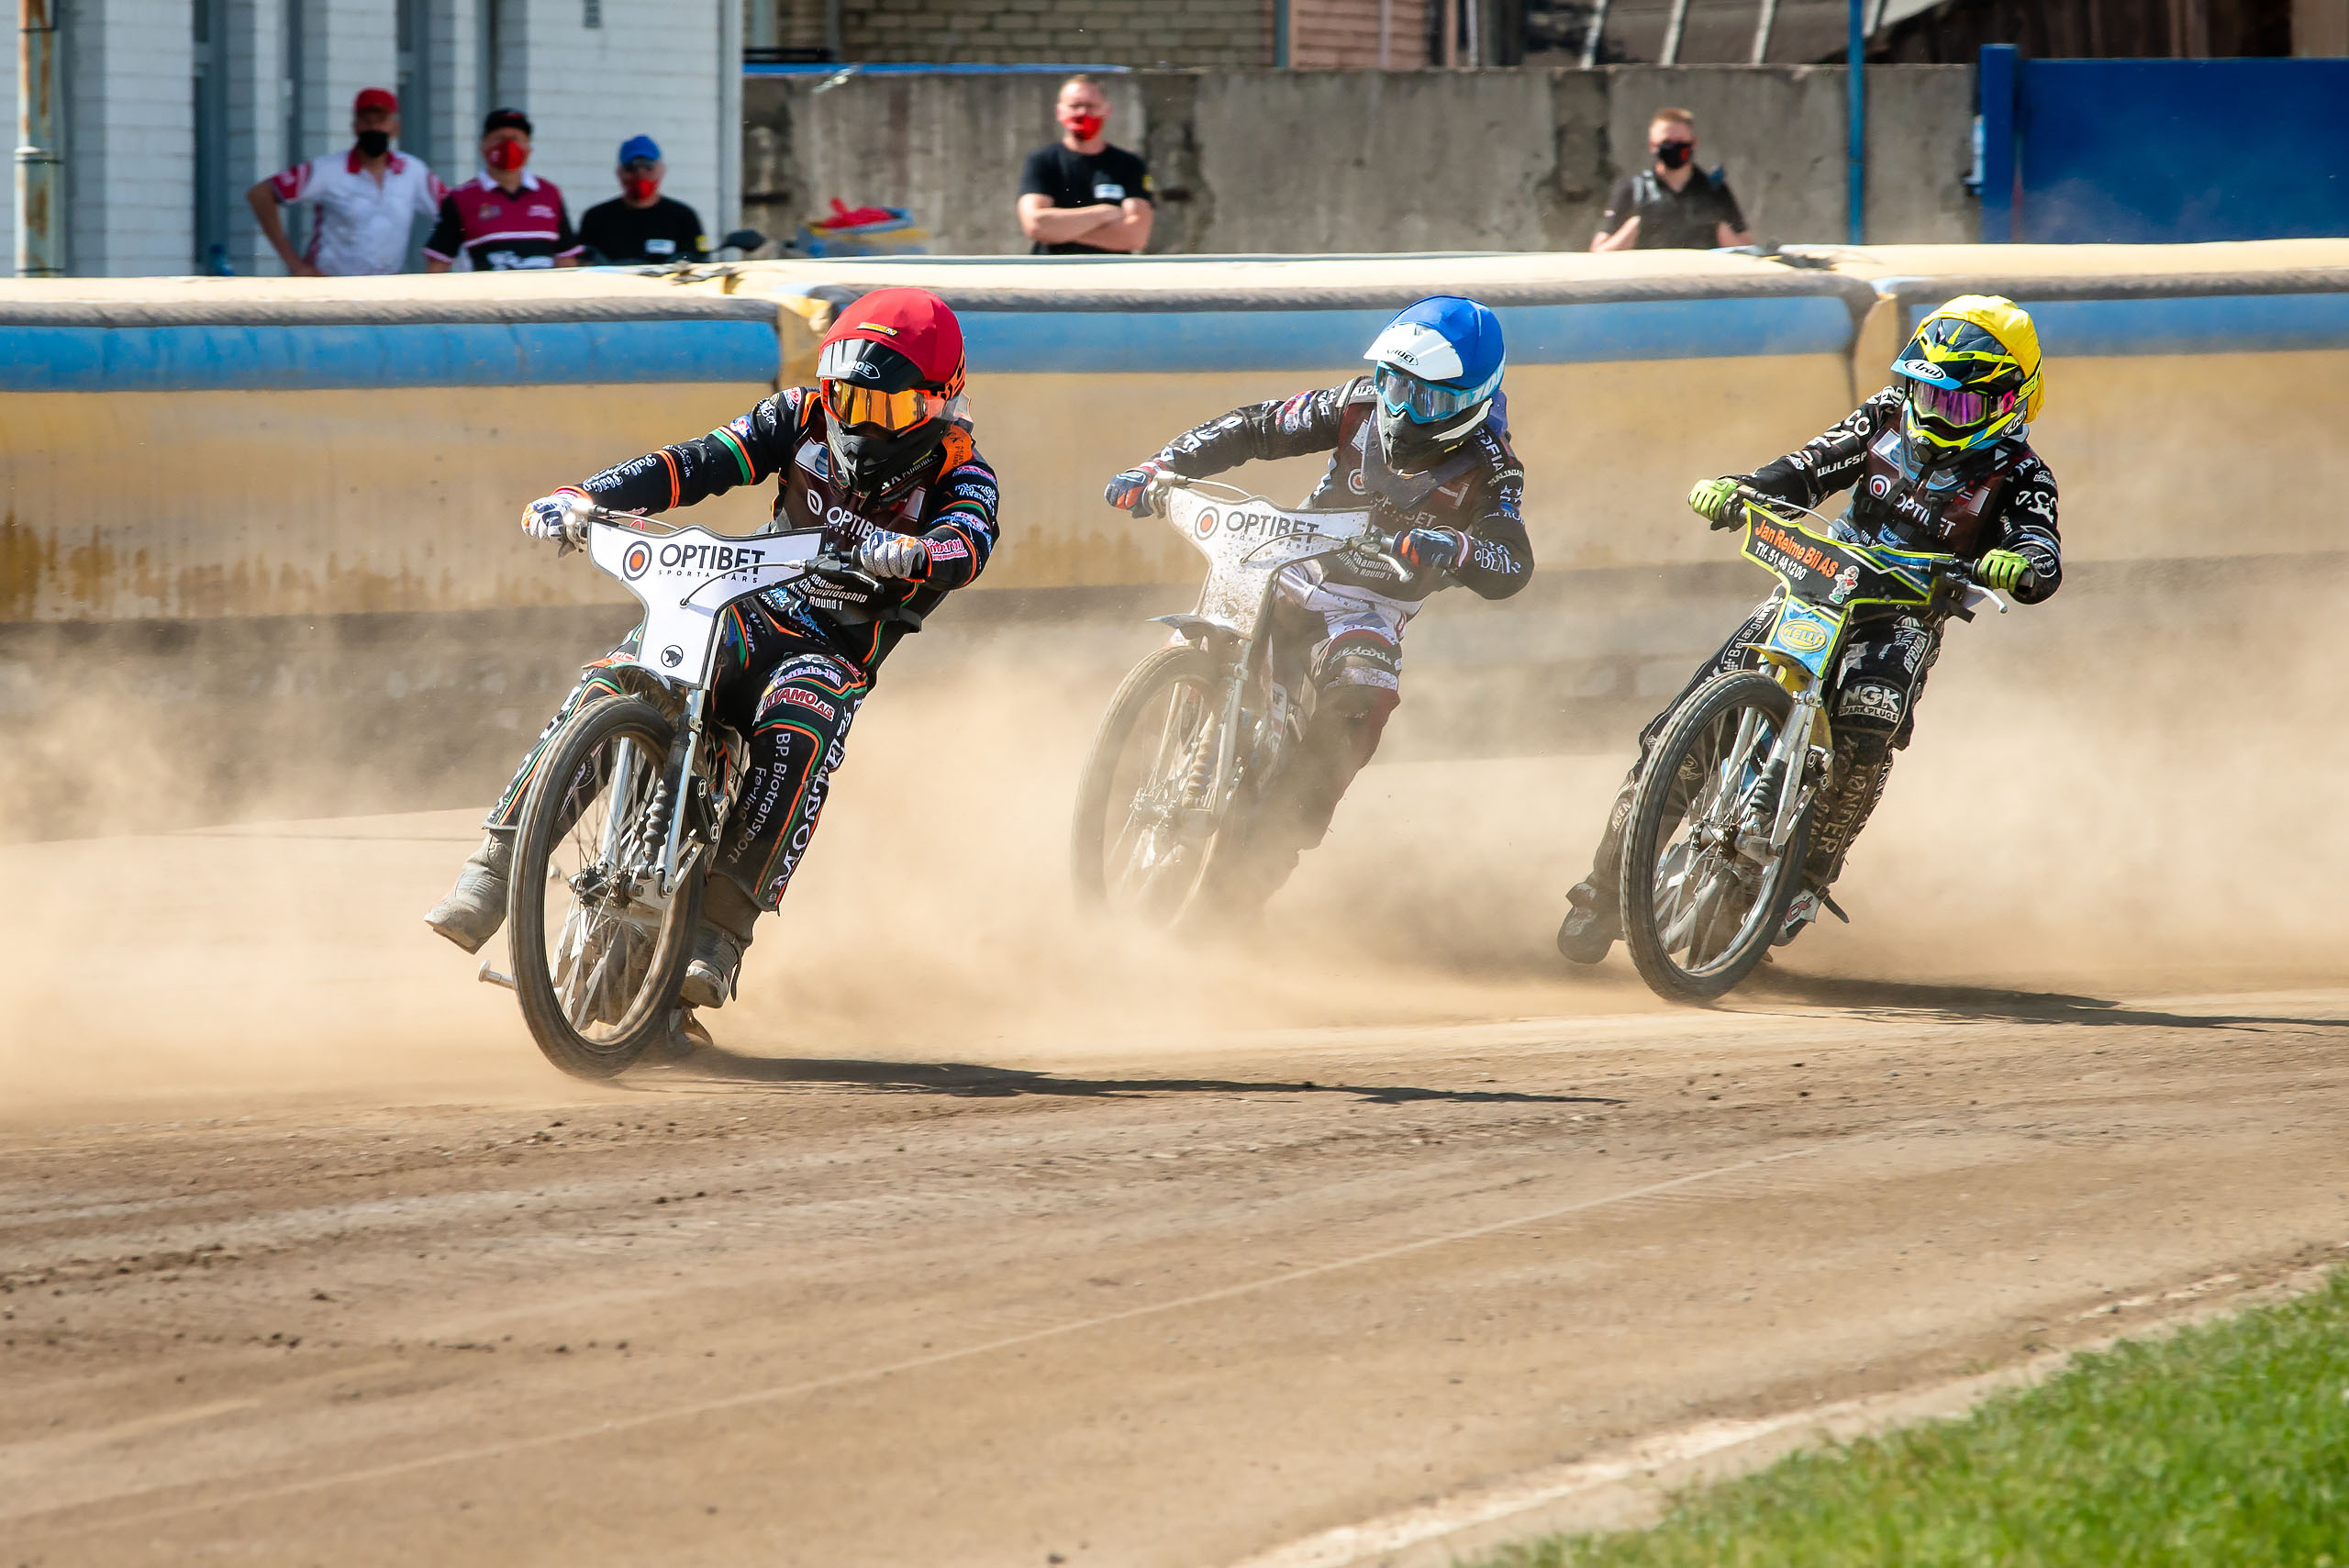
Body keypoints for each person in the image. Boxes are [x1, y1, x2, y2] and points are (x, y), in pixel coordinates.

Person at [425, 288, 999, 1009]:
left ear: (941, 400)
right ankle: (496, 864)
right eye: (847, 398)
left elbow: (967, 545)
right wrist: (586, 496)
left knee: (803, 718)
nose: (860, 420)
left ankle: (720, 935)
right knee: (619, 674)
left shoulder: (964, 471)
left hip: (830, 646)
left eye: (885, 408)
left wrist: (910, 553)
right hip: (744, 607)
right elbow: (701, 461)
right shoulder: (798, 414)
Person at [1556, 295, 2061, 962]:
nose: (1933, 414)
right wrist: (1744, 488)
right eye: (1925, 392)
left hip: (1907, 613)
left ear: (2010, 403)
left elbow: (2040, 546)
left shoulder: (2024, 473)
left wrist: (2020, 563)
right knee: (1682, 730)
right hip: (1824, 578)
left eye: (1958, 405)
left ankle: (1802, 881)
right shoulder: (1884, 415)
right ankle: (1601, 891)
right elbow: (1808, 466)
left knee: (1869, 718)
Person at [1101, 296, 1532, 910]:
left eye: (1427, 399)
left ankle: (1261, 863)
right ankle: (1119, 791)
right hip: (1287, 562)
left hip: (1369, 606)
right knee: (1187, 643)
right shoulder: (1354, 403)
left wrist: (1454, 547)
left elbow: (1512, 558)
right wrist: (1161, 465)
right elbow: (1256, 425)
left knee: (1363, 695)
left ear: (1470, 402)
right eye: (1394, 383)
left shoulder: (1492, 464)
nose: (1401, 410)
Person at [247, 88, 446, 277]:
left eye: (381, 121)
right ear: (355, 126)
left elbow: (453, 208)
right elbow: (261, 194)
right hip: (332, 289)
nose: (374, 128)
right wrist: (294, 263)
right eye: (367, 121)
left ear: (396, 127)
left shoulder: (412, 171)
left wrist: (438, 260)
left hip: (386, 291)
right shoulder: (328, 170)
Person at [423, 108, 583, 272]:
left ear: (528, 148)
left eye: (515, 138)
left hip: (543, 295)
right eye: (500, 138)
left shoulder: (549, 194)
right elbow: (438, 263)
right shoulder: (461, 198)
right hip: (486, 296)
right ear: (483, 145)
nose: (508, 145)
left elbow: (566, 260)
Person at [1016, 75, 1153, 255]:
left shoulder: (1129, 164)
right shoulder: (1042, 160)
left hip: (1112, 278)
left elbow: (1136, 236)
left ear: (1106, 110)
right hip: (1053, 274)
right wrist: (1103, 214)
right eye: (1074, 106)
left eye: (1090, 106)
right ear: (1059, 112)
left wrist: (1059, 230)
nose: (1082, 113)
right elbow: (1036, 224)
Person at [1590, 107, 1753, 251]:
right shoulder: (1634, 190)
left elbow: (1748, 253)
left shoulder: (1714, 191)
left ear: (1693, 143)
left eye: (1681, 142)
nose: (1674, 147)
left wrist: (1717, 225)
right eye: (1667, 142)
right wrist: (1636, 224)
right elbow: (1599, 253)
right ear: (1652, 145)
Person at [578, 134, 710, 265]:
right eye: (631, 168)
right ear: (619, 172)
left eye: (648, 167)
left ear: (661, 170)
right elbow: (581, 264)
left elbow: (700, 261)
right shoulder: (596, 218)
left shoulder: (683, 217)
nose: (640, 174)